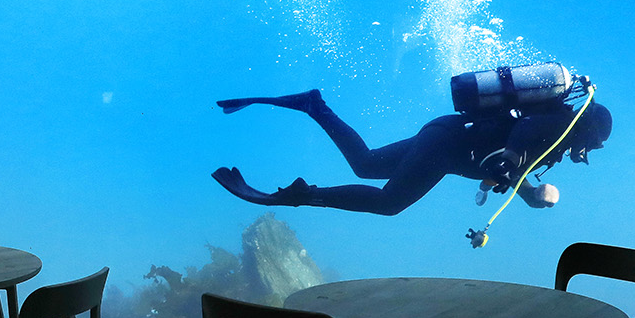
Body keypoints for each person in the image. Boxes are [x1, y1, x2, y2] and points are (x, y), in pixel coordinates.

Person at [212, 88, 610, 216]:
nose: (587, 151)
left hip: (445, 136)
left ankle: (314, 105)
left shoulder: (557, 136)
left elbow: (516, 160)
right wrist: (510, 159)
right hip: (447, 146)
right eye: (593, 144)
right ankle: (300, 195)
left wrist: (528, 195)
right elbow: (524, 131)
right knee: (389, 204)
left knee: (366, 164)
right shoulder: (559, 125)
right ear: (589, 130)